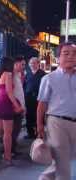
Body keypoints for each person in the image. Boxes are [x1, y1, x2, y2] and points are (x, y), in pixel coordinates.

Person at [37, 42, 76, 180]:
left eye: (74, 53)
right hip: (57, 122)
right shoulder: (49, 78)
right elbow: (42, 104)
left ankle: (45, 178)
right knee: (63, 164)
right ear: (58, 57)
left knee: (62, 160)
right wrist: (40, 125)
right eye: (66, 53)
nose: (71, 56)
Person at [24, 57, 46, 139]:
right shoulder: (28, 74)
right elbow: (25, 85)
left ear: (38, 64)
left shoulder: (43, 74)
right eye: (30, 63)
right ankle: (30, 133)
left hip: (38, 98)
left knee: (39, 116)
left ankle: (39, 133)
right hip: (28, 98)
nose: (32, 65)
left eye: (34, 63)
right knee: (28, 116)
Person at [11, 57, 26, 156]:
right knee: (13, 129)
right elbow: (9, 93)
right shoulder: (10, 75)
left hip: (20, 106)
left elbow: (20, 92)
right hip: (14, 107)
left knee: (17, 128)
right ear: (16, 64)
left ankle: (13, 148)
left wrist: (23, 106)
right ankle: (9, 150)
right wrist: (16, 106)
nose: (24, 67)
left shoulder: (19, 75)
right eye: (22, 64)